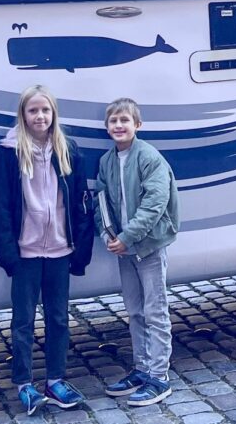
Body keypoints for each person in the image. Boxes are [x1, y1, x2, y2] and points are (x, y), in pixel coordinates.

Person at [0, 85, 95, 415]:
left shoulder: (68, 150)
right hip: (25, 253)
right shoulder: (9, 152)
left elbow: (81, 202)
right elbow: (0, 207)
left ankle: (55, 380)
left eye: (45, 110)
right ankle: (24, 383)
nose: (40, 116)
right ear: (23, 115)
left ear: (54, 114)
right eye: (33, 110)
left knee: (58, 319)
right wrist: (7, 254)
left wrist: (81, 250)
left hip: (61, 251)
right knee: (23, 321)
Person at [95, 98, 179, 407]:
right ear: (107, 128)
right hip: (124, 249)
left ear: (137, 125)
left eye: (124, 120)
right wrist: (109, 234)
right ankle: (142, 369)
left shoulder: (149, 157)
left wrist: (129, 236)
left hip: (149, 246)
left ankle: (160, 376)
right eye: (113, 121)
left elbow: (155, 203)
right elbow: (100, 201)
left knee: (155, 311)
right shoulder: (106, 161)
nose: (119, 125)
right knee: (134, 311)